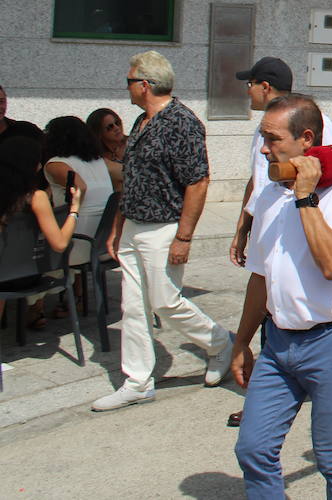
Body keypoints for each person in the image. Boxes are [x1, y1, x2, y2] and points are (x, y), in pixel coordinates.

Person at [231, 95, 332, 498]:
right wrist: (242, 342)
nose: (264, 148)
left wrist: (305, 197)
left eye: (273, 139)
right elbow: (259, 277)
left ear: (306, 139)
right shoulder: (266, 195)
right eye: (262, 137)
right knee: (254, 448)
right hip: (279, 343)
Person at [93, 52, 231, 412]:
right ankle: (137, 382)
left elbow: (198, 183)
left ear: (145, 84)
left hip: (164, 228)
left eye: (128, 80)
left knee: (166, 302)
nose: (126, 86)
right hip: (134, 226)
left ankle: (220, 344)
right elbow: (133, 179)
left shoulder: (181, 122)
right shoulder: (141, 122)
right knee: (133, 308)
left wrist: (184, 237)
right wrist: (119, 226)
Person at [230, 57, 332, 267]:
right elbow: (257, 181)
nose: (247, 91)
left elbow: (329, 174)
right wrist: (242, 229)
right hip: (266, 221)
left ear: (264, 87)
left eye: (249, 84)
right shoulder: (265, 127)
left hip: (297, 222)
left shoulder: (318, 121)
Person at [0, 136, 89, 327]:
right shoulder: (35, 197)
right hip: (26, 274)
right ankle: (36, 310)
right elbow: (60, 244)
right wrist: (74, 209)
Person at [41, 116, 115, 269]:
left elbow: (80, 186)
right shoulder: (98, 161)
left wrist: (73, 212)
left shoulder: (56, 164)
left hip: (80, 240)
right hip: (104, 239)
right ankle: (78, 290)